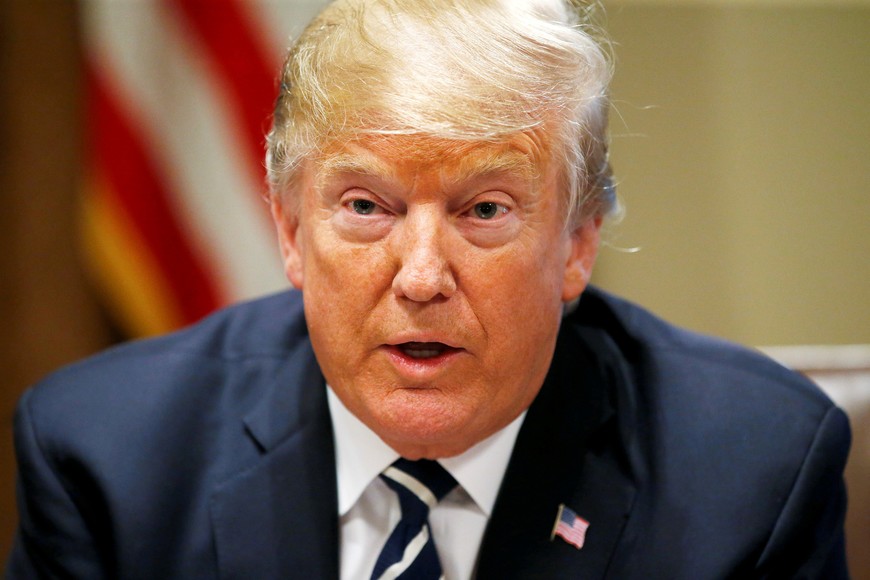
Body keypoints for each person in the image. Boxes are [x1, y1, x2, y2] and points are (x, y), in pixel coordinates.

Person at [7, 0, 850, 578]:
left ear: (578, 243)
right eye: (366, 206)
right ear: (293, 234)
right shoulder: (106, 459)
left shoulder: (753, 476)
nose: (419, 277)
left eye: (484, 209)